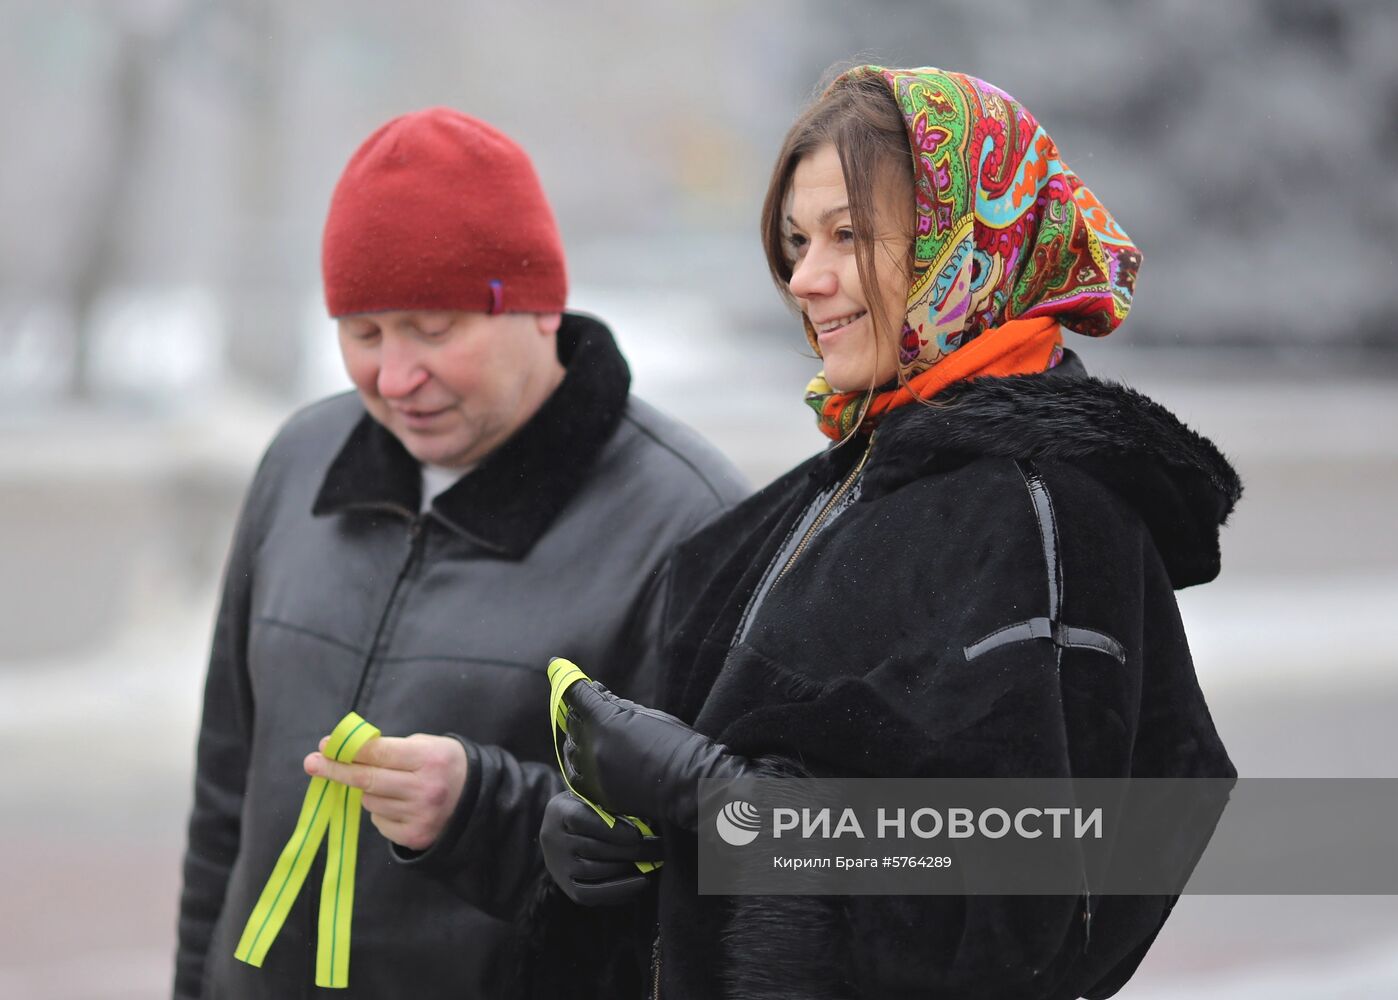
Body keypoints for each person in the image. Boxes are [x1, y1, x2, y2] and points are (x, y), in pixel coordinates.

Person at [537, 66, 1240, 999]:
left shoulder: (1047, 510)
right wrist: (625, 838)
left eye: (849, 236)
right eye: (796, 240)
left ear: (968, 245)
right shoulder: (853, 473)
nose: (804, 278)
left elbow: (1021, 908)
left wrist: (710, 801)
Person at [173, 107, 748, 999]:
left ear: (539, 307)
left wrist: (486, 812)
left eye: (433, 330)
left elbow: (722, 870)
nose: (395, 378)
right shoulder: (299, 461)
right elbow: (223, 806)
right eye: (363, 334)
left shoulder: (692, 521)